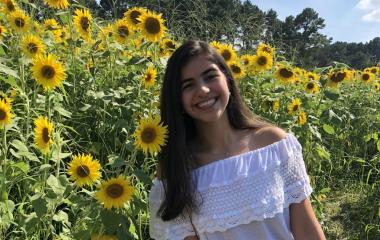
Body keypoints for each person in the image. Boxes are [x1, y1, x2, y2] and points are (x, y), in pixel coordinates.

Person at [149, 40, 325, 240]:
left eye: (210, 76)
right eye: (188, 85)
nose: (203, 90)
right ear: (177, 99)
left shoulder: (274, 145)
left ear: (228, 80)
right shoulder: (177, 168)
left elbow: (307, 231)